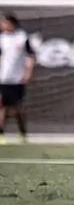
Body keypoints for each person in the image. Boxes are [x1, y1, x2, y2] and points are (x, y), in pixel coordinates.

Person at [0, 13, 35, 144]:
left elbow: (31, 56)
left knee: (17, 109)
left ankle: (22, 134)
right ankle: (1, 135)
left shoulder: (22, 37)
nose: (2, 25)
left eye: (4, 22)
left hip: (17, 80)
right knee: (2, 107)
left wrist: (28, 73)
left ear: (11, 23)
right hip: (3, 79)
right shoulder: (1, 38)